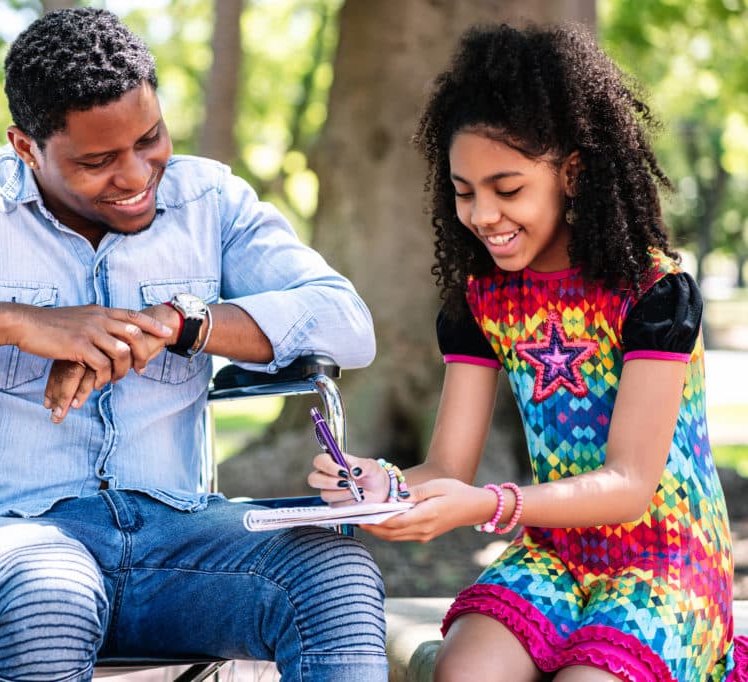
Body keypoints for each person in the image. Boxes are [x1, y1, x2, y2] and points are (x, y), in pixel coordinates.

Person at [0, 7, 389, 681]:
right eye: (97, 160)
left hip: (176, 536)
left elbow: (347, 323)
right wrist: (15, 320)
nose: (136, 174)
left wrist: (180, 323)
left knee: (333, 575)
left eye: (151, 138)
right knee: (49, 589)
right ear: (25, 146)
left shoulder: (210, 202)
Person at [308, 22, 748, 682]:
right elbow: (447, 466)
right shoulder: (480, 302)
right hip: (555, 557)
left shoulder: (653, 294)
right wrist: (386, 488)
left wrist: (488, 506)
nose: (483, 214)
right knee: (464, 671)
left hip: (666, 560)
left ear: (572, 174)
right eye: (464, 192)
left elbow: (629, 486)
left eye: (507, 189)